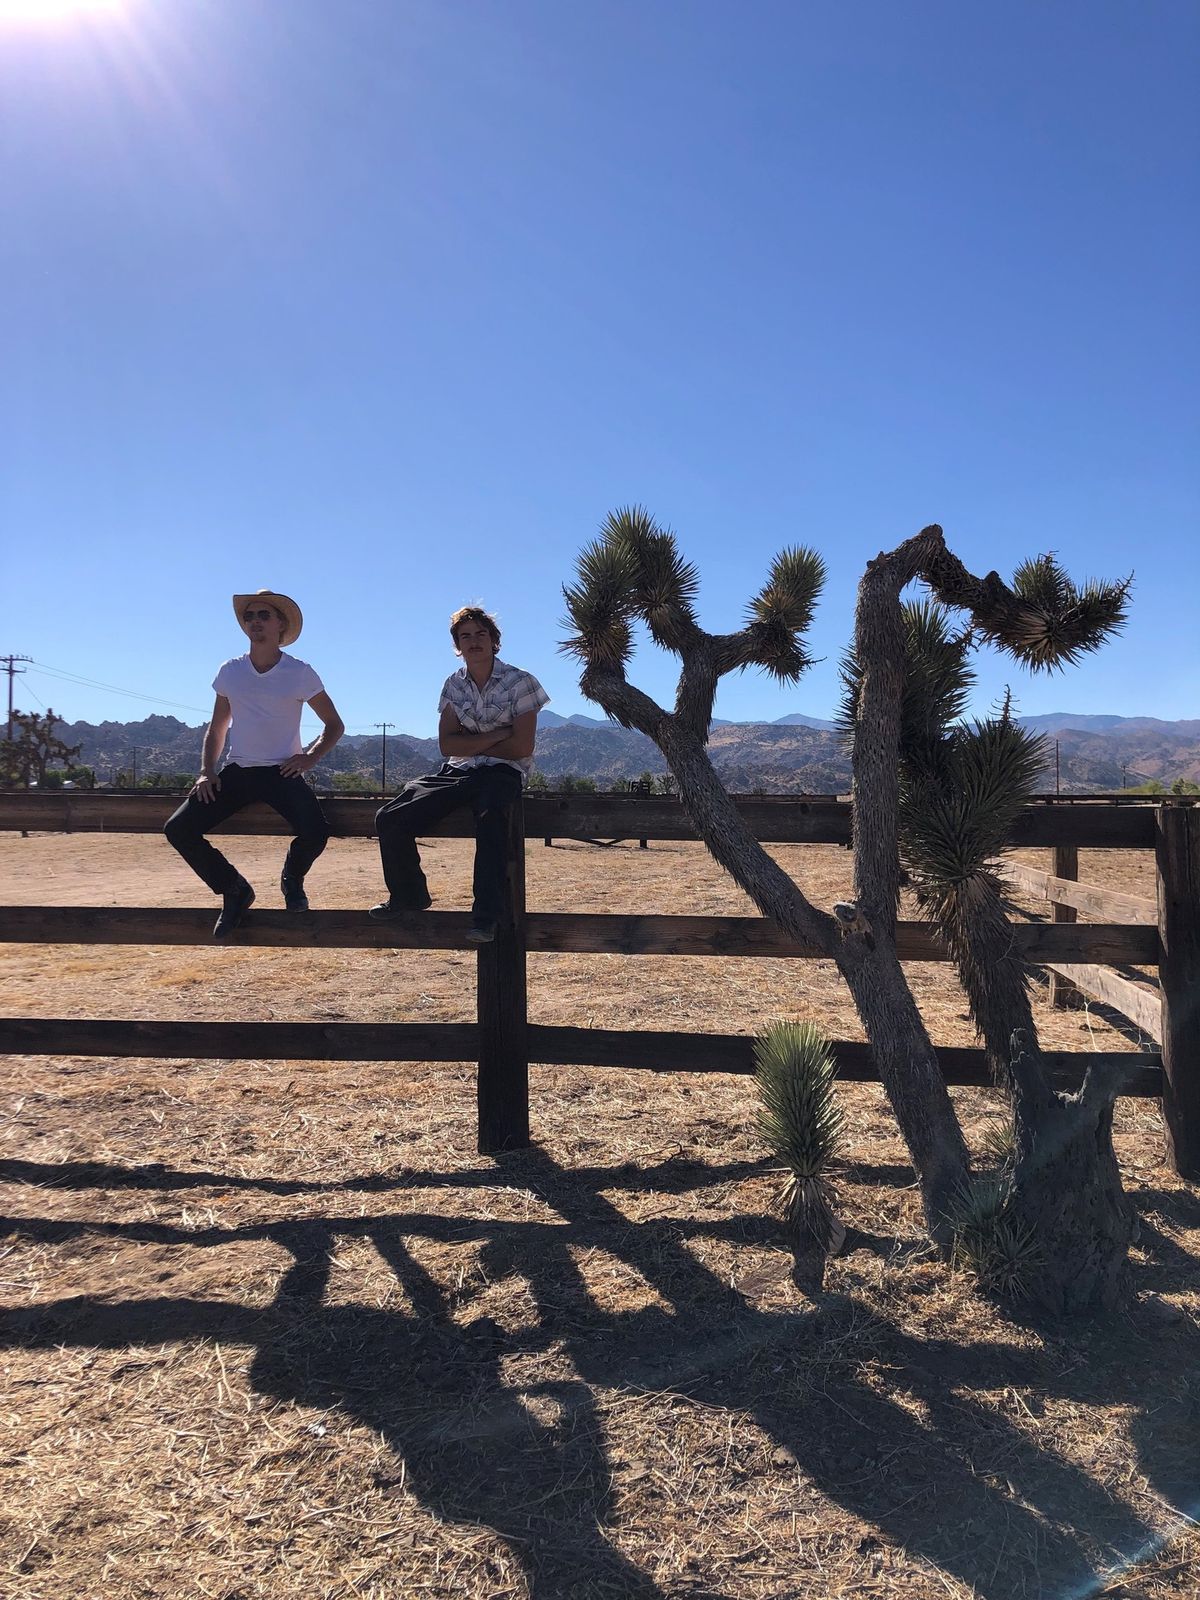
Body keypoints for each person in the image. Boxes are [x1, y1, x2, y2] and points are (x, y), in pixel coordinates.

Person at [164, 589, 345, 937]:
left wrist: (309, 757)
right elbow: (217, 727)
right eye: (250, 616)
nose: (255, 622)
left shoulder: (301, 673)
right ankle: (234, 889)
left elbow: (334, 726)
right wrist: (207, 771)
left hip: (282, 772)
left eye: (264, 615)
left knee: (316, 832)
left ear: (280, 625)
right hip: (239, 770)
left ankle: (292, 878)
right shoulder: (230, 672)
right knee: (178, 829)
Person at [370, 605, 548, 943]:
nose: (473, 641)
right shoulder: (453, 685)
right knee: (390, 816)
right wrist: (498, 734)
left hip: (503, 773)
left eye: (481, 634)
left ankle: (486, 918)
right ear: (457, 645)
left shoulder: (520, 682)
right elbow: (445, 744)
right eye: (465, 636)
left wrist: (472, 742)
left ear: (495, 640)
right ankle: (409, 895)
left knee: (492, 818)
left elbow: (521, 747)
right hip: (458, 769)